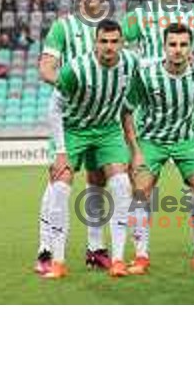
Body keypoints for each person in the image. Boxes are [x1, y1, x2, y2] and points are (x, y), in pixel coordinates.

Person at [40, 19, 138, 278]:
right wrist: (61, 151)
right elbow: (54, 107)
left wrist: (134, 147)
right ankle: (57, 262)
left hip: (107, 130)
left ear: (122, 43)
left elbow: (129, 104)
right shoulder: (76, 68)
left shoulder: (131, 63)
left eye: (114, 41)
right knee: (60, 188)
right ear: (95, 42)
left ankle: (117, 259)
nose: (109, 46)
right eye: (103, 41)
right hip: (74, 130)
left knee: (122, 187)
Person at [122, 24, 194, 275]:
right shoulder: (146, 75)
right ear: (164, 47)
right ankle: (141, 256)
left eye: (183, 44)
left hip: (187, 140)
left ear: (191, 48)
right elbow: (127, 110)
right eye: (173, 45)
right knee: (141, 191)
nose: (178, 50)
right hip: (152, 140)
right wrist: (135, 150)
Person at [35, 0, 112, 275]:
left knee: (98, 181)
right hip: (69, 120)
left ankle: (95, 248)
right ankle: (46, 250)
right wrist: (71, 86)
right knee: (59, 179)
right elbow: (46, 68)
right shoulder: (63, 27)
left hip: (103, 120)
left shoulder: (110, 29)